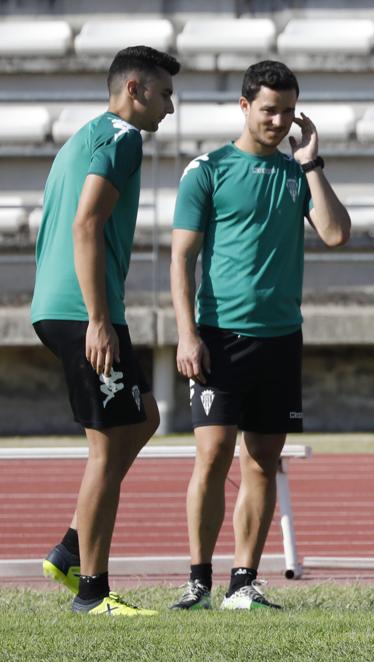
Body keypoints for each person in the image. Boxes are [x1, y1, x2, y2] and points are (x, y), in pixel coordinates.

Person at [168, 60, 350, 611]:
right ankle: (198, 579)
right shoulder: (207, 169)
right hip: (218, 336)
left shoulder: (297, 173)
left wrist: (312, 159)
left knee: (261, 461)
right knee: (214, 453)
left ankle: (243, 581)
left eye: (288, 111)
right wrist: (186, 333)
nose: (279, 120)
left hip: (279, 339)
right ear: (244, 107)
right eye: (269, 109)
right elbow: (181, 257)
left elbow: (337, 234)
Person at [33, 46, 179, 616]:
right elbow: (86, 222)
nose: (171, 107)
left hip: (65, 304)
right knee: (104, 449)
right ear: (136, 88)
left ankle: (73, 546)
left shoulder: (83, 136)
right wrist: (97, 319)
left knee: (144, 417)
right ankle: (91, 591)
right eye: (165, 94)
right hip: (82, 310)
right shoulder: (122, 138)